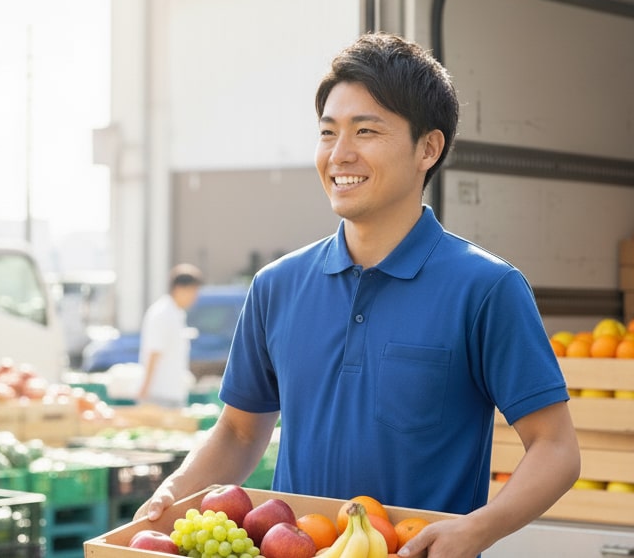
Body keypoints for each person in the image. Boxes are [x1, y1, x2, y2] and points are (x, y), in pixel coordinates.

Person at [137, 33, 579, 558]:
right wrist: (173, 493)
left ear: (428, 148)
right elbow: (237, 433)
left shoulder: (486, 288)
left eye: (365, 131)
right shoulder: (277, 286)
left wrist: (479, 528)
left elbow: (556, 448)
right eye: (328, 133)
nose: (339, 154)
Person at [137, 263, 203, 407]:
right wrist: (144, 389)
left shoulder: (177, 313)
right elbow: (154, 352)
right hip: (159, 395)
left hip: (174, 393)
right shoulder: (162, 313)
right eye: (193, 291)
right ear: (179, 289)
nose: (195, 297)